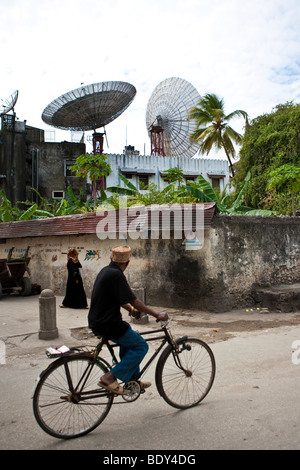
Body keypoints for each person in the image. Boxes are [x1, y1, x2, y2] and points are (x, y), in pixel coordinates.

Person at [88, 245, 168, 395]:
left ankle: (133, 381)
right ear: (127, 263)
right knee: (141, 347)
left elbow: (120, 299)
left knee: (130, 338)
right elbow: (134, 301)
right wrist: (157, 314)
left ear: (111, 259)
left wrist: (132, 311)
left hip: (98, 320)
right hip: (109, 323)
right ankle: (109, 377)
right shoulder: (116, 275)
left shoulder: (106, 271)